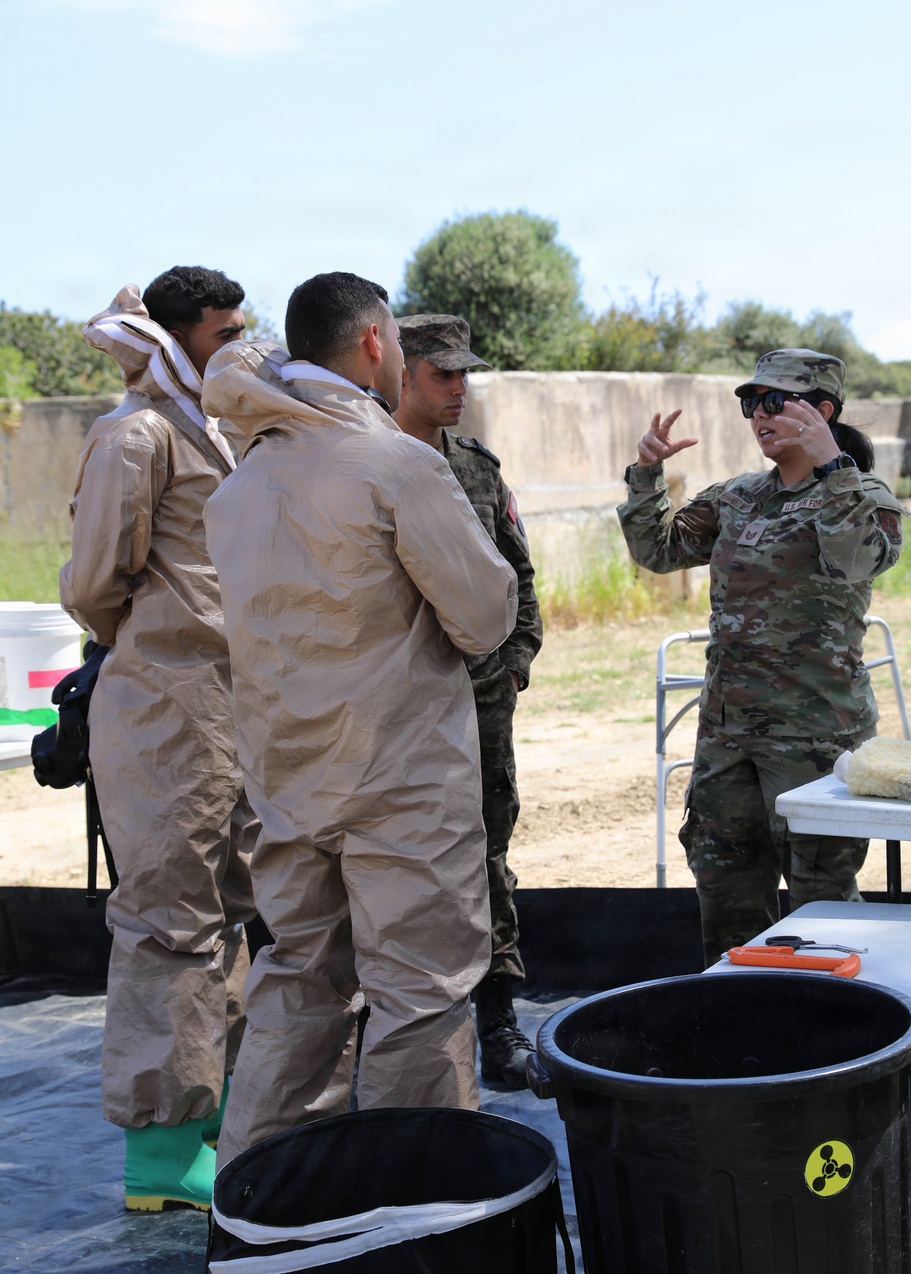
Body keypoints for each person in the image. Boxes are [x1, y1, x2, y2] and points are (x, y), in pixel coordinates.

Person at [202, 273, 518, 1166]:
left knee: (298, 983)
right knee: (419, 997)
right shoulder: (396, 465)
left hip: (288, 782)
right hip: (401, 784)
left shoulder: (246, 475)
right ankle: (412, 1214)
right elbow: (486, 617)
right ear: (377, 344)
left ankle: (258, 1205)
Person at [59, 267, 258, 1211]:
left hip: (231, 706)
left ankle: (217, 1111)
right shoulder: (135, 436)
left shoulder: (213, 429)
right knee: (169, 920)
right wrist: (158, 640)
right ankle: (163, 1154)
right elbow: (96, 583)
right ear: (180, 339)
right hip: (165, 708)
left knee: (228, 909)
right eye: (225, 331)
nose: (239, 345)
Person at [618, 348, 904, 966]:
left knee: (820, 900)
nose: (760, 417)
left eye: (777, 402)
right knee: (727, 896)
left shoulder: (862, 494)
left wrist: (832, 468)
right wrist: (646, 477)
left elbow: (859, 557)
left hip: (814, 736)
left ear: (822, 410)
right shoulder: (738, 497)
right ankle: (738, 1034)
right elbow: (659, 552)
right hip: (728, 735)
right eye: (753, 404)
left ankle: (843, 1038)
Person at [394, 314, 543, 1090]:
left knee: (486, 859)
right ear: (398, 371)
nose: (459, 388)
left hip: (477, 704)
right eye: (442, 374)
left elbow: (520, 579)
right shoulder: (361, 465)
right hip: (387, 710)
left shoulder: (477, 469)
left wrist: (511, 669)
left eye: (464, 374)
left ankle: (499, 1021)